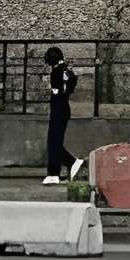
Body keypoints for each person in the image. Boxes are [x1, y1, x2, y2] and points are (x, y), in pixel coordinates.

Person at [39, 45, 78, 183]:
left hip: (58, 108)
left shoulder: (56, 72)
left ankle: (55, 172)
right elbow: (72, 80)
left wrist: (58, 92)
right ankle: (68, 164)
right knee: (55, 140)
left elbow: (58, 90)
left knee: (53, 140)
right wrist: (65, 92)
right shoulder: (66, 70)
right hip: (64, 107)